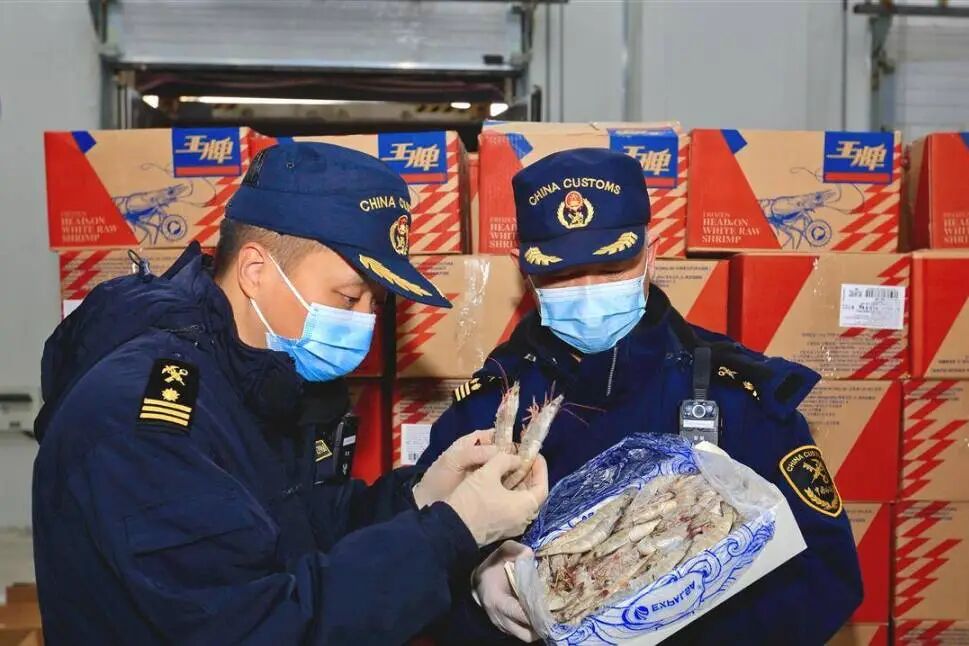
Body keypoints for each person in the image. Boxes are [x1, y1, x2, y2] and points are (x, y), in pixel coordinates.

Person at [31, 142, 548, 645]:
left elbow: (297, 528)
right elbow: (257, 623)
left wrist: (421, 497)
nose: (365, 321)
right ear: (255, 271)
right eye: (348, 296)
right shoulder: (145, 419)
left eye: (375, 303)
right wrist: (452, 532)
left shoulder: (251, 376)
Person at [419, 148, 863, 644]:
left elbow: (826, 573)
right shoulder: (488, 406)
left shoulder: (735, 394)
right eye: (560, 274)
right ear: (524, 273)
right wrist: (477, 590)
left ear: (651, 257)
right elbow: (418, 575)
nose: (588, 291)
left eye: (612, 267)